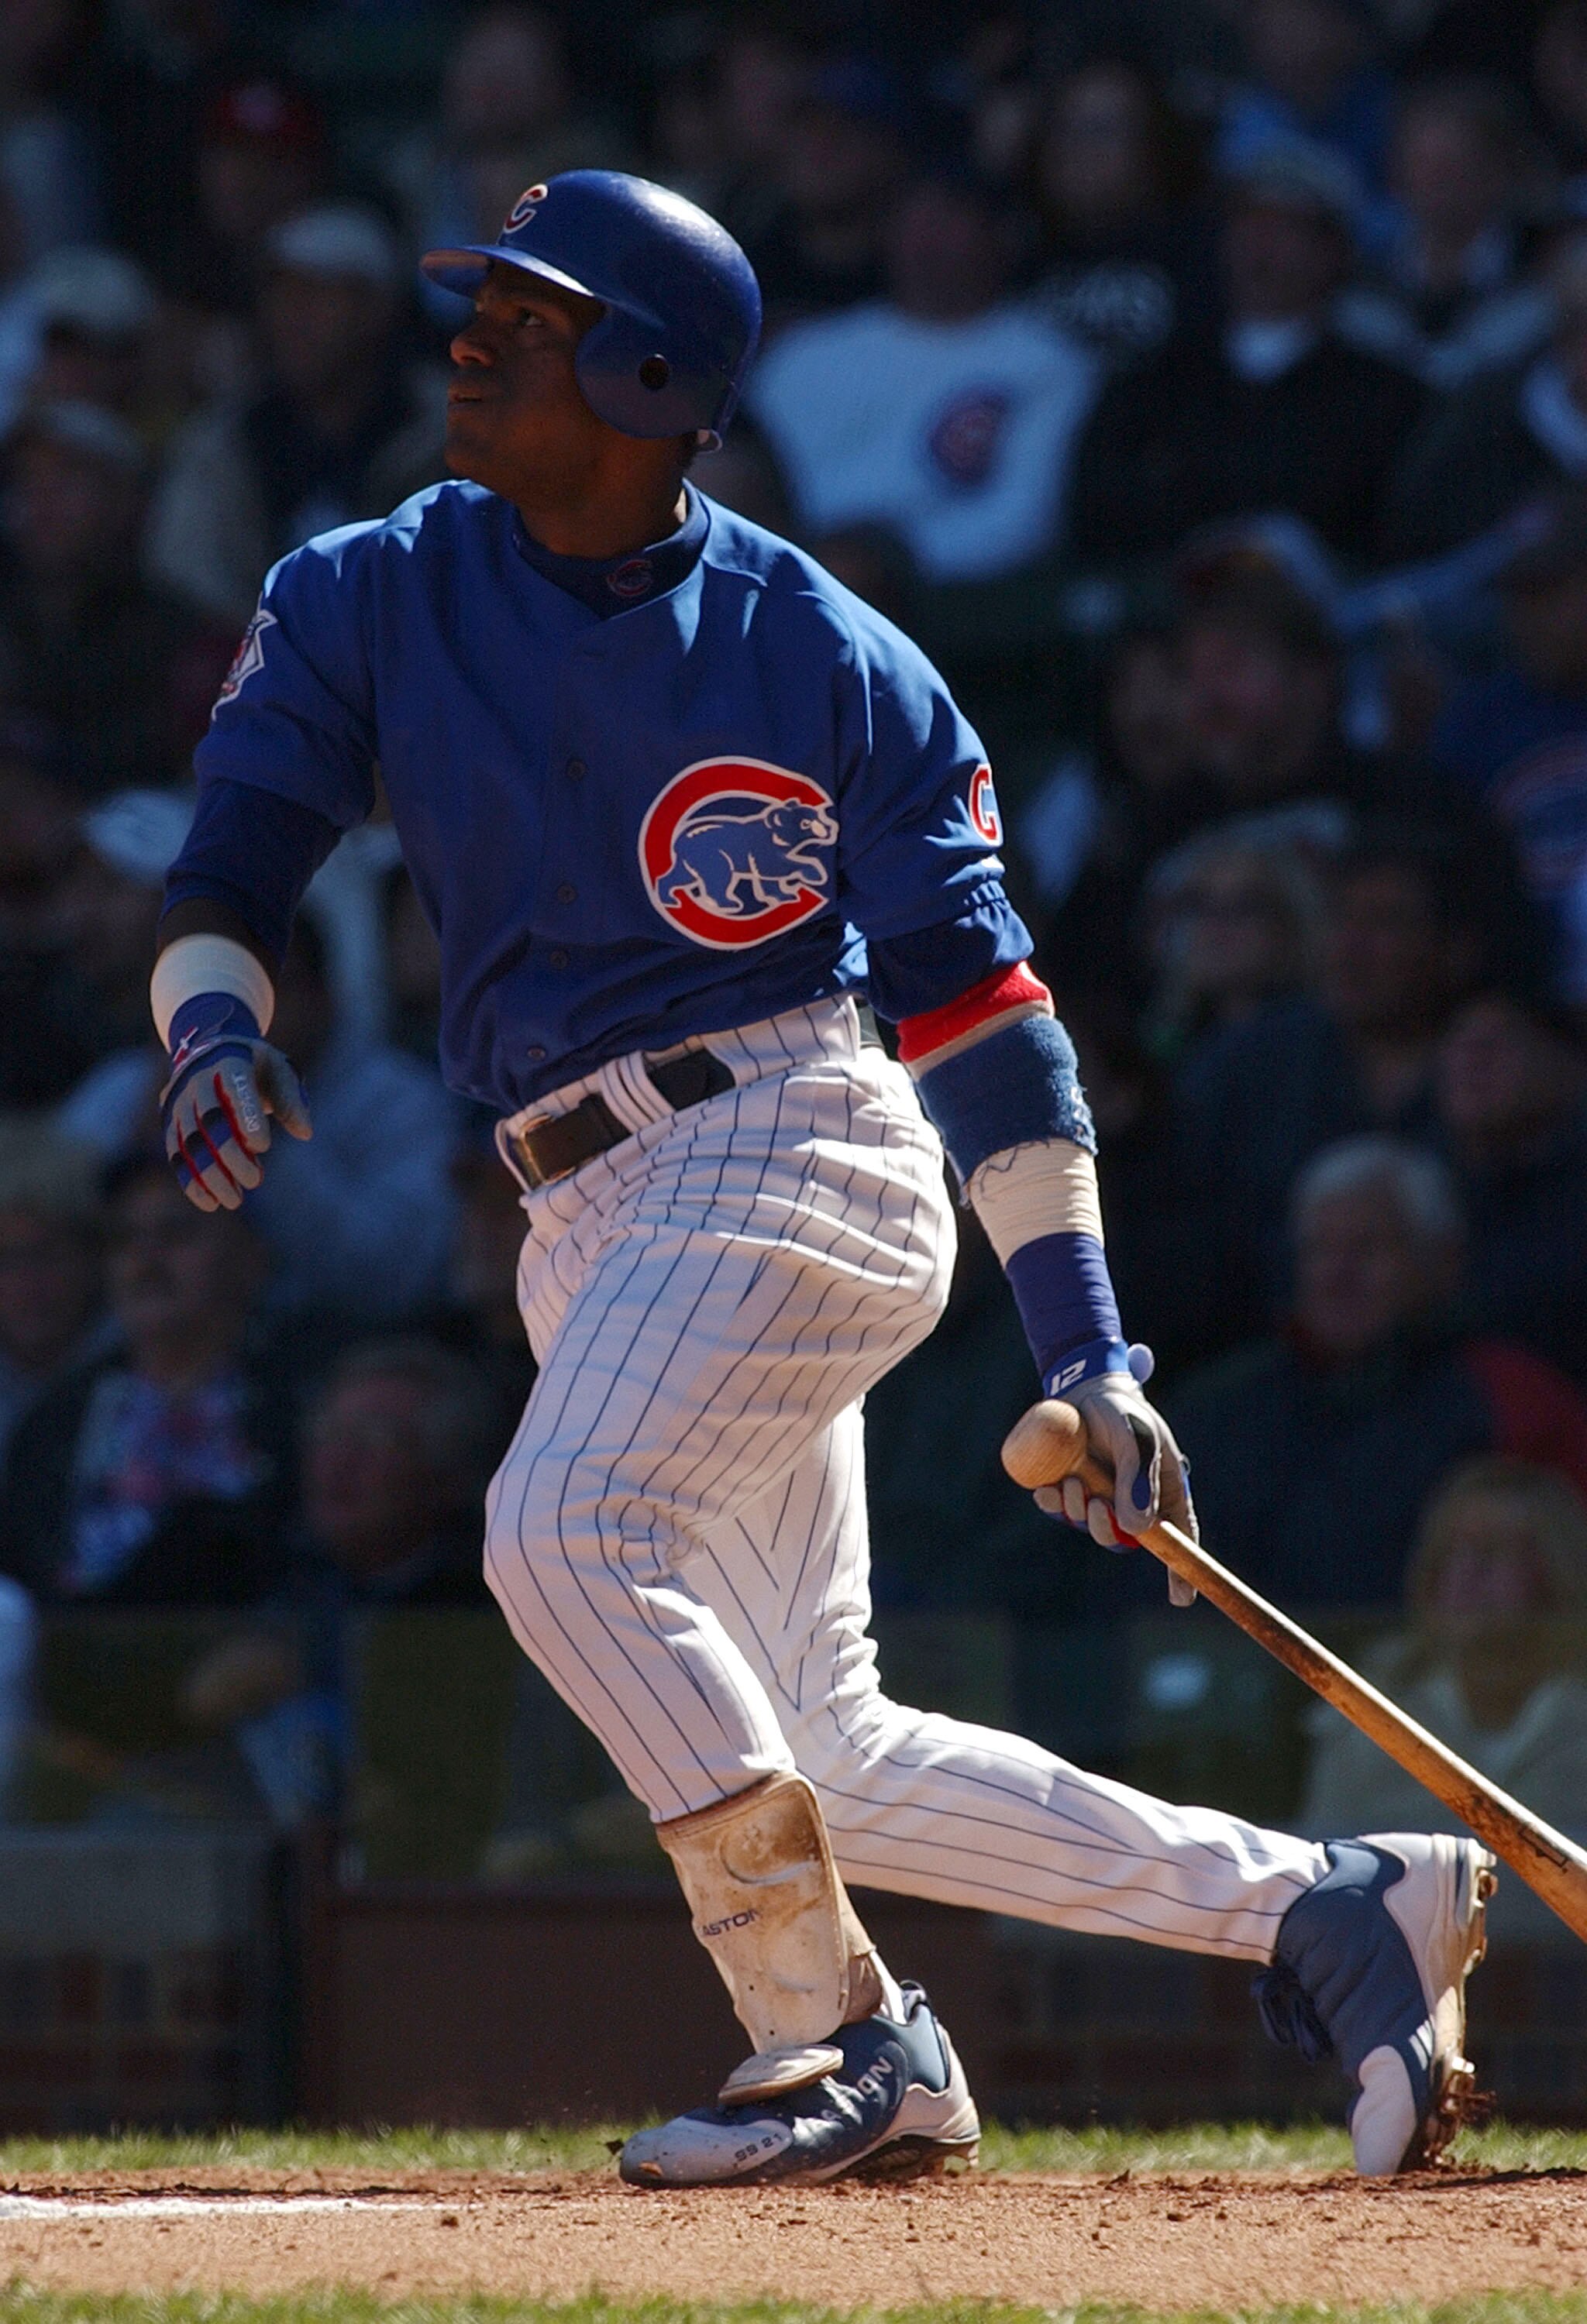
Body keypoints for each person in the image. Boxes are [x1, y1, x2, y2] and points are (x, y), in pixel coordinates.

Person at [148, 167, 1496, 2188]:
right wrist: (209, 1031)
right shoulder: (369, 583)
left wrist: (1091, 1348)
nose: (470, 347)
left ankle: (833, 2028)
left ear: (647, 373)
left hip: (798, 1139)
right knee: (821, 1746)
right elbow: (230, 871)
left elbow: (983, 1014)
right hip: (582, 1207)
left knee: (564, 1530)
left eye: (522, 324)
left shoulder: (822, 650)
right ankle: (1331, 1905)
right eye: (483, 315)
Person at [1169, 1136, 1587, 1609]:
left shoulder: (1514, 1401)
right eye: (1319, 1250)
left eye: (1368, 1249)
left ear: (1442, 1259)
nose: (1337, 1275)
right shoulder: (1223, 1408)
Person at [1066, 143, 1427, 572]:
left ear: (1336, 251)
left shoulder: (1383, 396)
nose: (1261, 243)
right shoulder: (1153, 382)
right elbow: (1099, 510)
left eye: (1287, 226)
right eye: (1249, 220)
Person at [749, 168, 1097, 585]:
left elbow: (1025, 521)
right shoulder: (803, 355)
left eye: (947, 219)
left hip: (949, 599)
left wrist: (879, 569)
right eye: (910, 220)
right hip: (787, 580)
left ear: (1002, 235)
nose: (926, 238)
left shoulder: (1047, 360)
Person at [1300, 1458, 1587, 1933]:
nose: (1472, 1572)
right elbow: (1322, 1880)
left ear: (1559, 1573)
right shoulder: (1366, 1707)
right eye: (1456, 1551)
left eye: (1502, 1552)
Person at [0, 1154, 292, 1606]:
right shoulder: (54, 1425)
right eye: (125, 1240)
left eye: (175, 1234)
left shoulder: (300, 1404)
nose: (146, 1260)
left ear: (250, 1256)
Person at [148, 203, 449, 634]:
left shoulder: (451, 429)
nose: (293, 316)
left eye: (318, 295)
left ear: (379, 308)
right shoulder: (226, 441)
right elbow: (192, 584)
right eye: (283, 294)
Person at [1437, 989, 1587, 1382]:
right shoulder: (1416, 1186)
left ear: (1568, 1062)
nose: (1472, 1061)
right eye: (1460, 1044)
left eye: (1495, 1045)